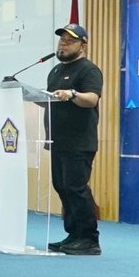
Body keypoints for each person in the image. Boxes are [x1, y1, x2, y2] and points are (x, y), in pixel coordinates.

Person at [45, 23, 103, 256]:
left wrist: (73, 94)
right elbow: (51, 100)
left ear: (83, 46)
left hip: (79, 142)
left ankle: (89, 239)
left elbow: (91, 99)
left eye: (70, 41)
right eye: (62, 40)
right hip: (57, 141)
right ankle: (74, 234)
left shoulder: (88, 70)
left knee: (76, 188)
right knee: (62, 187)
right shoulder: (55, 71)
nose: (64, 44)